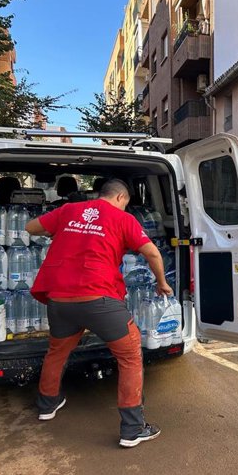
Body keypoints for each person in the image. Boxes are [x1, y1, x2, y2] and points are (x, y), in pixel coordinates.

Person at [25, 179, 172, 448]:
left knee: (57, 352)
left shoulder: (69, 210)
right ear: (121, 198)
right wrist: (162, 283)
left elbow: (30, 227)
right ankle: (132, 428)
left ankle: (47, 404)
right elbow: (152, 253)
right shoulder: (123, 218)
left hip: (59, 299)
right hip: (99, 299)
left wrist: (64, 232)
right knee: (129, 355)